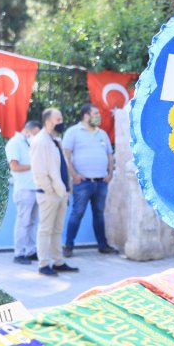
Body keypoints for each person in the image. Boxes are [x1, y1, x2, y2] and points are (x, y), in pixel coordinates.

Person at [62, 103, 117, 257]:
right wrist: (74, 175)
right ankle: (68, 246)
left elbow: (110, 155)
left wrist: (110, 173)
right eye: (95, 114)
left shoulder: (102, 134)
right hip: (83, 182)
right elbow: (66, 154)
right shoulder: (73, 132)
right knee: (77, 213)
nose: (98, 116)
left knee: (99, 214)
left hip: (101, 182)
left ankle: (103, 245)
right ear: (86, 115)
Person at [30, 108, 78, 276]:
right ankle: (43, 264)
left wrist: (65, 190)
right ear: (48, 121)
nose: (61, 122)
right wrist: (49, 189)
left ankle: (58, 262)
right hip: (49, 194)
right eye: (58, 119)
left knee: (57, 230)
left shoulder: (55, 140)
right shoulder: (40, 141)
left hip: (61, 193)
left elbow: (61, 167)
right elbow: (39, 170)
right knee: (45, 229)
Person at [6, 119, 42, 264]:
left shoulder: (31, 143)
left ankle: (31, 250)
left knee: (33, 222)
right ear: (28, 130)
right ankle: (19, 253)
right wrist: (35, 165)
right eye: (36, 133)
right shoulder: (15, 143)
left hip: (36, 187)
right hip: (24, 189)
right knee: (23, 221)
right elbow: (14, 166)